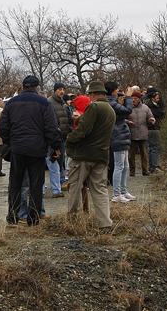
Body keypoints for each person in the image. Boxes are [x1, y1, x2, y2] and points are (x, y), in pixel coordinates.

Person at [0, 75, 61, 226]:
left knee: (15, 184)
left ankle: (13, 217)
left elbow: (2, 129)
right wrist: (56, 146)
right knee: (36, 185)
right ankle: (33, 218)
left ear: (22, 87)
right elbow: (51, 129)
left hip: (17, 149)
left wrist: (11, 143)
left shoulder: (10, 103)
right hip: (37, 150)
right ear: (37, 87)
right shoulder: (44, 103)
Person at [65, 81, 116, 229]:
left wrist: (69, 140)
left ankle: (72, 221)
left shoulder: (94, 106)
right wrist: (80, 118)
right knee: (100, 190)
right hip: (101, 156)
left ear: (93, 94)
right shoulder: (110, 109)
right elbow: (96, 126)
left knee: (74, 187)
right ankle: (105, 223)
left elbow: (84, 130)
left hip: (84, 155)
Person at [105, 82, 136, 203]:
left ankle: (123, 191)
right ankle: (116, 194)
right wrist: (128, 97)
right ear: (113, 91)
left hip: (121, 135)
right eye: (117, 89)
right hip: (117, 135)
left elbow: (121, 113)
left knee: (125, 165)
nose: (119, 90)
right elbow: (128, 110)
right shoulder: (111, 102)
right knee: (119, 166)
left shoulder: (114, 101)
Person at [48, 83, 71, 193]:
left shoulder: (62, 103)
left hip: (63, 136)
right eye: (59, 89)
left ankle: (61, 181)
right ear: (55, 90)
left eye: (63, 89)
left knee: (61, 160)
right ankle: (60, 182)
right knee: (56, 160)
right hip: (56, 136)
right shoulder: (50, 102)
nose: (62, 91)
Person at [127, 91, 155, 176]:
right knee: (131, 154)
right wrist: (128, 122)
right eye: (132, 98)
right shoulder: (128, 108)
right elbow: (122, 118)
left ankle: (145, 170)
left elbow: (150, 116)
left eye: (135, 98)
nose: (133, 100)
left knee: (144, 153)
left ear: (139, 99)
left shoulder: (145, 108)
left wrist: (151, 119)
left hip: (143, 133)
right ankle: (132, 171)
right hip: (131, 133)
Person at [145, 90, 165, 173]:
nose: (159, 99)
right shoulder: (154, 108)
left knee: (150, 148)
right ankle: (155, 166)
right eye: (157, 98)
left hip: (148, 130)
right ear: (153, 98)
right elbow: (162, 115)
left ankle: (151, 166)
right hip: (154, 129)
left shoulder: (146, 106)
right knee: (155, 147)